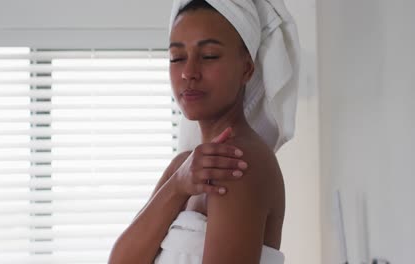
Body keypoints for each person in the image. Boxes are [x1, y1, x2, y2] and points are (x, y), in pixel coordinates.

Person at [109, 0, 300, 263]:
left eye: (209, 55)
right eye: (177, 57)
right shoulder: (183, 167)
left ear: (247, 67)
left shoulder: (235, 161)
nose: (189, 72)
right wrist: (176, 186)